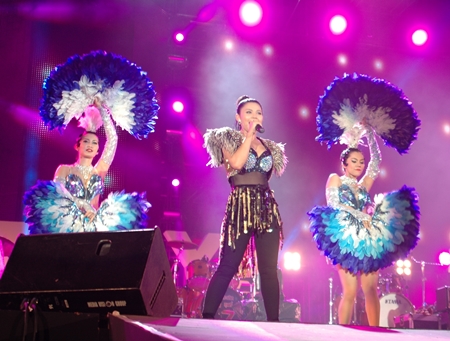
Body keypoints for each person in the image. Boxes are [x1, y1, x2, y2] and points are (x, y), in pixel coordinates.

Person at [308, 127, 419, 326]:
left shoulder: (363, 185)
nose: (360, 165)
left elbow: (375, 162)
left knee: (371, 289)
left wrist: (370, 132)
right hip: (346, 236)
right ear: (344, 164)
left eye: (361, 161)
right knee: (350, 291)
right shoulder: (336, 179)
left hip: (368, 237)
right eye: (355, 161)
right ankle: (343, 333)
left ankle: (376, 332)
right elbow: (334, 204)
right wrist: (360, 214)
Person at [202, 95, 287, 321]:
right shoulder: (226, 138)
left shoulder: (270, 147)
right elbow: (237, 165)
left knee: (269, 270)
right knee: (227, 266)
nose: (254, 116)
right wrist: (249, 135)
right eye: (248, 112)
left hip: (266, 207)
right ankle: (207, 316)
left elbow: (266, 176)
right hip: (241, 206)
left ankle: (274, 321)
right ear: (237, 117)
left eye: (258, 112)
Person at [23, 97, 150, 234]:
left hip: (95, 224)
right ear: (78, 145)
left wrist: (102, 109)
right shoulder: (65, 169)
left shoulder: (100, 170)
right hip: (68, 225)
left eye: (94, 143)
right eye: (86, 141)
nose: (90, 145)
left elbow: (113, 138)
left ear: (97, 151)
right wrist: (82, 204)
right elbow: (57, 195)